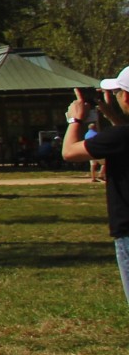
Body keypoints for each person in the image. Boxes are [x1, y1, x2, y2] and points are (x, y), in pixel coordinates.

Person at [62, 73, 129, 306]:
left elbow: (70, 152)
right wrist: (115, 120)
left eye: (118, 92)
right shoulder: (121, 134)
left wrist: (75, 120)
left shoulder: (120, 137)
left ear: (127, 98)